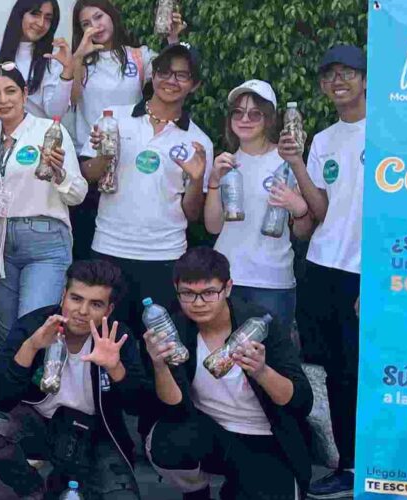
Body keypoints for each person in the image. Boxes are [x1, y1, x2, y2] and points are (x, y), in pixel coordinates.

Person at [144, 248, 314, 499]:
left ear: (228, 288)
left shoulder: (259, 324)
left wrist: (262, 371)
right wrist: (159, 366)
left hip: (264, 437)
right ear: (176, 290)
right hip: (209, 431)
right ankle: (196, 492)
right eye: (188, 293)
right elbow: (174, 408)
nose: (198, 303)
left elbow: (302, 402)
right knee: (167, 442)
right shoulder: (175, 328)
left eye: (209, 293)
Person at [0, 259, 145, 499]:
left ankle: (67, 481)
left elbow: (138, 406)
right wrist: (31, 347)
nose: (82, 311)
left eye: (96, 304)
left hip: (96, 434)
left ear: (109, 310)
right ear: (63, 296)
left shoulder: (117, 337)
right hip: (41, 425)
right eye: (76, 299)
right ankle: (35, 492)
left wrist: (115, 368)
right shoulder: (33, 326)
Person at [83, 45, 212, 344]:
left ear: (194, 85)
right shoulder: (114, 119)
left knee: (158, 348)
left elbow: (193, 213)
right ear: (153, 75)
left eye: (182, 75)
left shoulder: (198, 140)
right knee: (106, 342)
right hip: (109, 247)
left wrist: (196, 180)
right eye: (164, 72)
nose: (171, 81)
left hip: (164, 255)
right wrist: (104, 156)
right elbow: (89, 175)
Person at [66, 0, 183, 262]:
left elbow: (170, 77)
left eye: (99, 17)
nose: (95, 26)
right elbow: (68, 100)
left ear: (111, 16)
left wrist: (173, 39)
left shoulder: (138, 56)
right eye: (86, 24)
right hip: (91, 161)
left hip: (130, 157)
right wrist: (78, 57)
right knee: (87, 246)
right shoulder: (80, 60)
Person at [202, 80, 316, 345]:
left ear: (269, 119)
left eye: (255, 114)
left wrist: (298, 208)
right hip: (226, 279)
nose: (245, 119)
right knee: (224, 360)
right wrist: (214, 181)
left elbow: (303, 231)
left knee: (272, 360)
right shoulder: (225, 162)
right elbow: (213, 227)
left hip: (272, 281)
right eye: (238, 113)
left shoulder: (287, 162)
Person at [0, 65, 86, 341]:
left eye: (10, 91)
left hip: (44, 238)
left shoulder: (50, 130)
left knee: (34, 330)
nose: (3, 100)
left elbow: (78, 194)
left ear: (25, 94)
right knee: (7, 335)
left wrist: (60, 174)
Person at [301, 44, 365, 500]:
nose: (337, 81)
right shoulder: (323, 139)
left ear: (365, 78)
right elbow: (319, 210)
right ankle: (348, 466)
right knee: (336, 373)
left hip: (366, 272)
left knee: (364, 371)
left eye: (347, 72)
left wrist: (379, 276)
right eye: (329, 75)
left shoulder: (390, 131)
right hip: (323, 267)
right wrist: (294, 164)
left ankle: (375, 463)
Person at [0, 0, 72, 122]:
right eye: (35, 14)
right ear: (20, 13)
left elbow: (55, 113)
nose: (41, 23)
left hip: (36, 134)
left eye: (48, 18)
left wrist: (67, 71)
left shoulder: (52, 59)